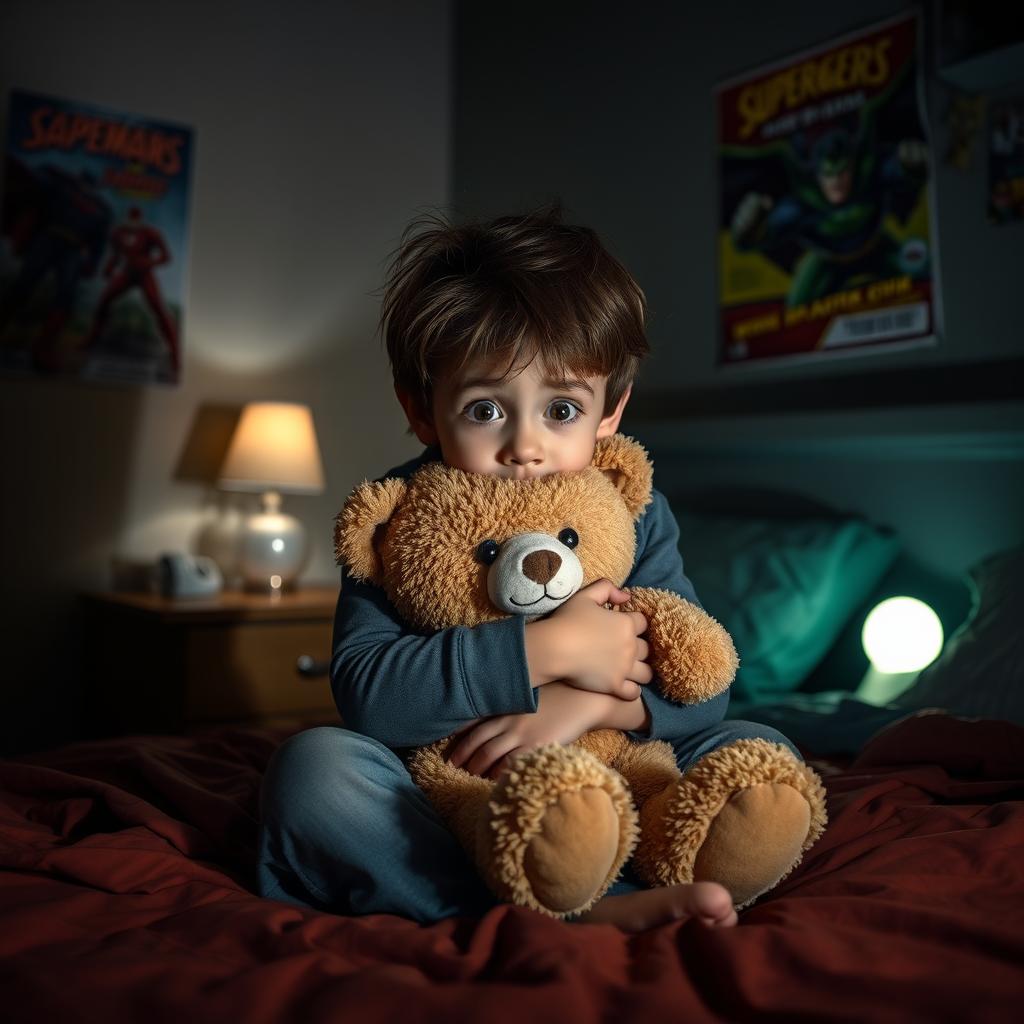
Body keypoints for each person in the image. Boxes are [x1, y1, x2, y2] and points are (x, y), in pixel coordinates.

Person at [258, 207, 803, 931]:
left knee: (763, 747)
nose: (525, 446)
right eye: (485, 409)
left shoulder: (635, 511)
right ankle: (569, 910)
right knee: (314, 773)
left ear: (611, 412)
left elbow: (703, 687)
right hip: (461, 789)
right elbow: (369, 696)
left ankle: (646, 860)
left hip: (616, 766)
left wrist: (590, 706)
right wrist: (551, 650)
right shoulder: (400, 518)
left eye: (561, 408)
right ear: (423, 411)